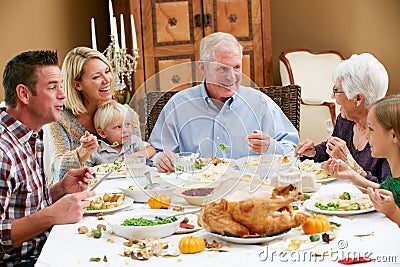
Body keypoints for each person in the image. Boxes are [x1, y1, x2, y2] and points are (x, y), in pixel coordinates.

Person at [149, 32, 299, 172]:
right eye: (222, 69)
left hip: (249, 190)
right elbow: (155, 153)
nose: (231, 77)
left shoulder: (260, 103)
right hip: (195, 191)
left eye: (237, 67)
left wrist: (270, 147)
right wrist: (160, 159)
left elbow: (293, 149)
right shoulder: (178, 105)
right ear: (203, 67)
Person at [0, 50, 95, 267]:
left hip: (48, 247)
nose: (62, 94)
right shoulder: (3, 151)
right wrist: (52, 216)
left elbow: (20, 206)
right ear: (23, 94)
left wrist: (59, 190)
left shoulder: (32, 134)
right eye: (52, 87)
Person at [45, 47, 143, 184]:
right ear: (78, 85)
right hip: (76, 196)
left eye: (107, 71)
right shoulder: (60, 120)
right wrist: (80, 153)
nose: (107, 80)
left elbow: (140, 159)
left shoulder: (127, 114)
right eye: (96, 77)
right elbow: (57, 171)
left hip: (124, 191)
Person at [295, 53, 390, 183]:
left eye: (336, 90)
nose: (332, 96)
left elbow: (387, 192)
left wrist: (351, 164)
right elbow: (333, 148)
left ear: (358, 98)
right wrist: (314, 152)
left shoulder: (389, 132)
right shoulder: (346, 120)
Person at [322, 95, 400, 227]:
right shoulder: (394, 172)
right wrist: (352, 176)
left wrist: (393, 212)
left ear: (393, 135)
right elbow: (384, 191)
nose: (367, 135)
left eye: (371, 129)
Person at [85, 100, 155, 166]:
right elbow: (83, 167)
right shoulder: (97, 150)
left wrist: (134, 156)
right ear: (102, 133)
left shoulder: (133, 142)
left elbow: (151, 150)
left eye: (127, 124)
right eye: (118, 127)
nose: (125, 130)